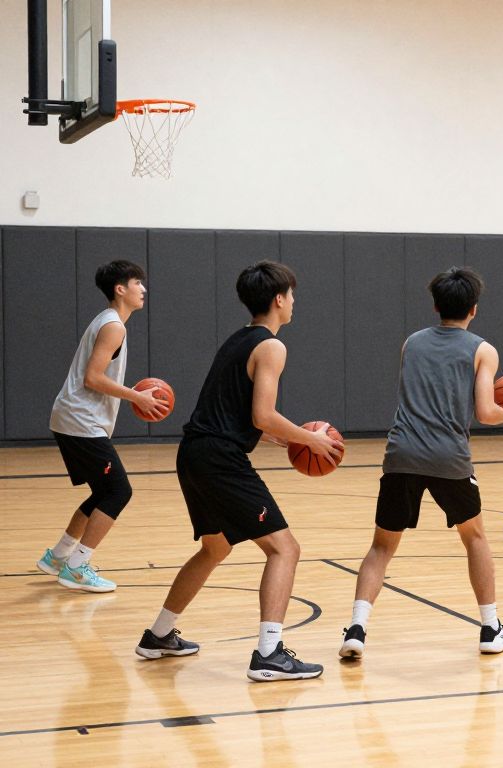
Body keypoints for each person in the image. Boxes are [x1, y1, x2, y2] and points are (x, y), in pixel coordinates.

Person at [134, 261, 343, 682]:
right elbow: (263, 415)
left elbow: (234, 414)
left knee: (215, 548)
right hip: (219, 460)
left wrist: (281, 438)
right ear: (279, 299)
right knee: (285, 549)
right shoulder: (271, 346)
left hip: (194, 453)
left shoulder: (237, 340)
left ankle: (158, 635)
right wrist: (308, 439)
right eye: (292, 295)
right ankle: (269, 653)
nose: (294, 302)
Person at [340, 267, 503, 660]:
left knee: (381, 547)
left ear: (435, 305)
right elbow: (484, 412)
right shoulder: (483, 349)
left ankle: (356, 628)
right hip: (449, 456)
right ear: (473, 309)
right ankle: (491, 628)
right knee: (474, 537)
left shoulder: (412, 343)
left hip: (402, 452)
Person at [38, 260, 168, 592]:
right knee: (118, 491)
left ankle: (58, 557)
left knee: (102, 491)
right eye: (137, 282)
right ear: (120, 289)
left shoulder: (108, 321)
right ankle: (77, 567)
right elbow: (93, 378)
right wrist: (136, 398)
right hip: (81, 420)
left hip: (71, 417)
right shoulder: (114, 326)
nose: (144, 289)